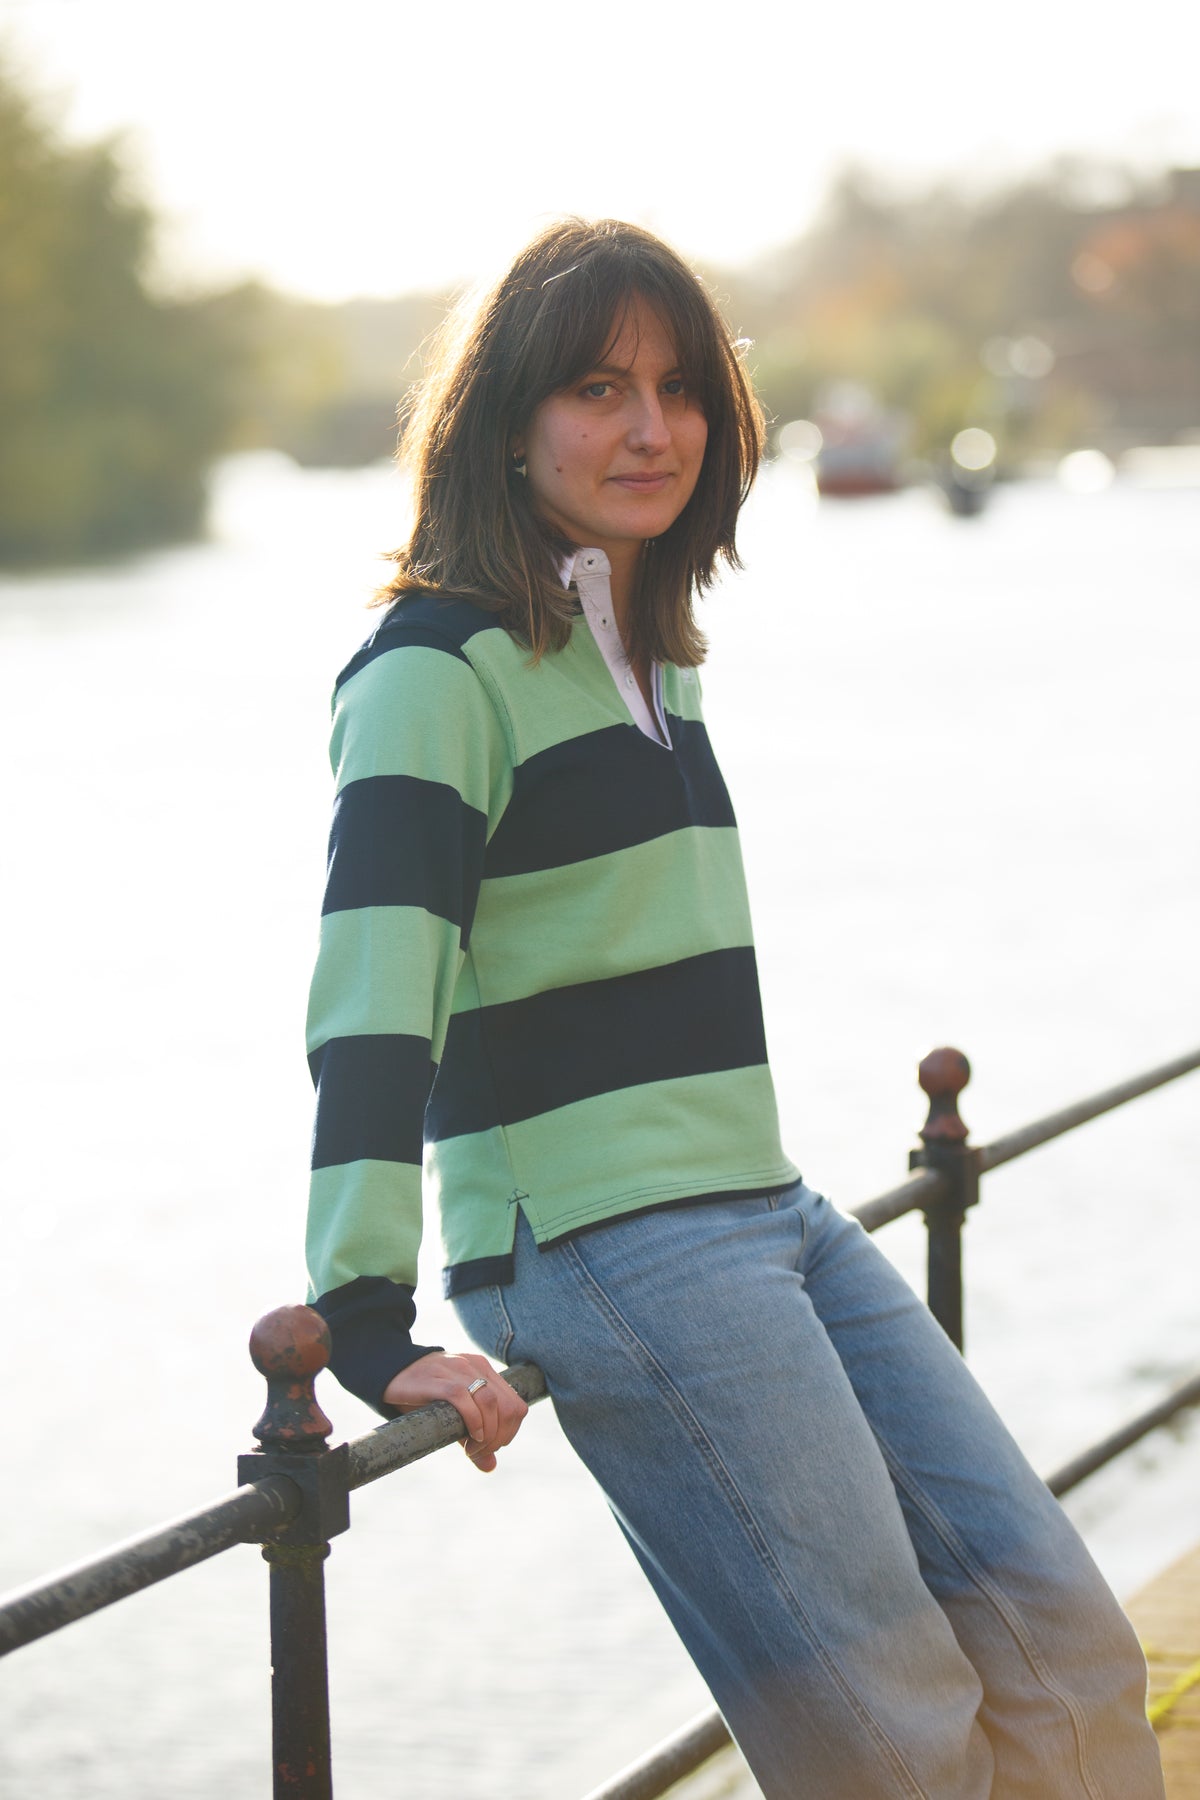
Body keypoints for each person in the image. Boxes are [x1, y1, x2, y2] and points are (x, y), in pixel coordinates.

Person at [304, 218, 1163, 1798]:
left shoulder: (648, 650)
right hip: (602, 1239)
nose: (653, 428)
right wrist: (364, 1324)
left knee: (1068, 1652)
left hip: (762, 1201)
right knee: (900, 1735)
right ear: (505, 421)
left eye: (680, 387)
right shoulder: (434, 670)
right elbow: (373, 1000)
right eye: (597, 390)